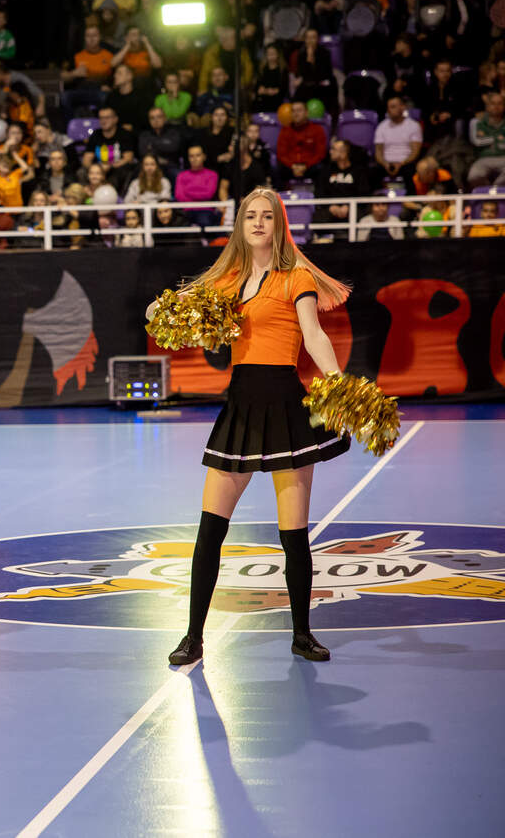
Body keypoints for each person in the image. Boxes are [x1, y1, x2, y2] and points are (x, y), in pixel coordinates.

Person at [149, 188, 352, 666]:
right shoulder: (226, 282)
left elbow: (314, 335)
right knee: (209, 531)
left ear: (280, 225)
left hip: (285, 407)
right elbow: (155, 315)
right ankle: (193, 637)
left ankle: (302, 634)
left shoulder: (296, 277)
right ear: (240, 225)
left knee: (293, 535)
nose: (258, 222)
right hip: (240, 407)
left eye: (267, 216)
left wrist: (339, 385)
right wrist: (170, 309)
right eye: (250, 216)